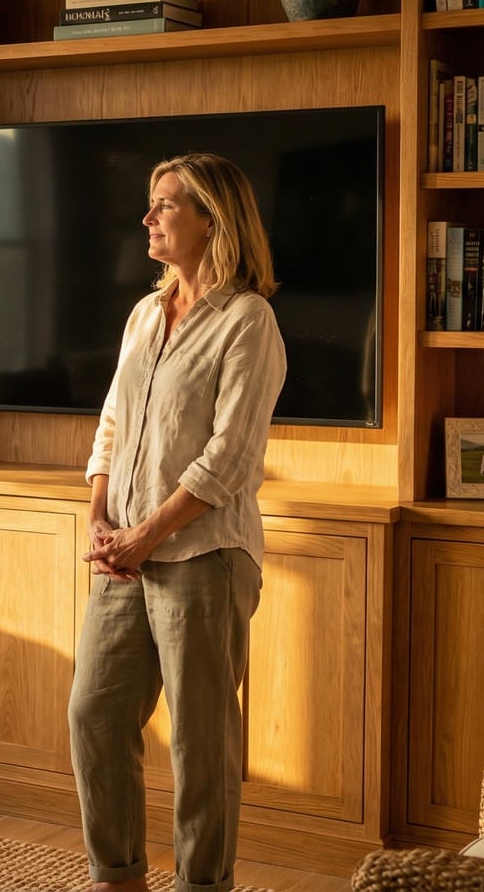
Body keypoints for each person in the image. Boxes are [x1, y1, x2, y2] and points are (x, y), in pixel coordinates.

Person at [70, 153, 287, 892]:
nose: (148, 218)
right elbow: (112, 423)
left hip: (204, 557)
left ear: (210, 219)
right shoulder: (144, 313)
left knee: (201, 747)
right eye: (151, 203)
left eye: (165, 205)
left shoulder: (248, 320)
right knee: (94, 716)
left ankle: (203, 886)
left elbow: (229, 460)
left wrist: (145, 534)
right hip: (124, 553)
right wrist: (101, 515)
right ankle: (116, 878)